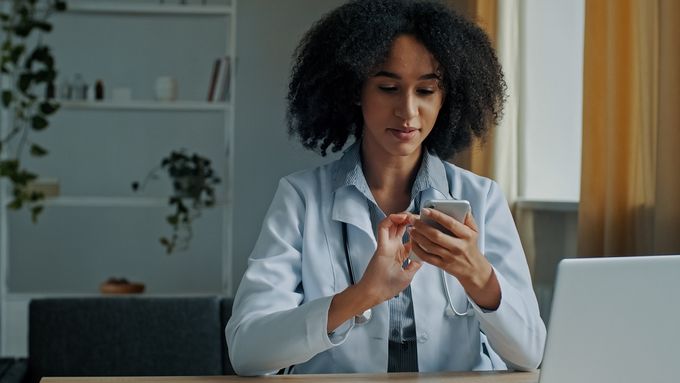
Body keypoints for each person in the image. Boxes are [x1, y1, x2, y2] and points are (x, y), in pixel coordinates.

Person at [226, 0, 545, 375]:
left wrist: (477, 274)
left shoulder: (482, 198)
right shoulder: (301, 198)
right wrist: (362, 295)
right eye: (389, 87)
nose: (408, 111)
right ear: (355, 91)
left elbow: (529, 355)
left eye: (426, 91)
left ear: (447, 98)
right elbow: (248, 351)